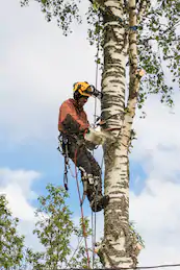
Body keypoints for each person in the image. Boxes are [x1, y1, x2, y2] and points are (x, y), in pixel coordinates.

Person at [58, 81, 109, 212]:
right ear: (77, 95)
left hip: (79, 145)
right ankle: (93, 200)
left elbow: (86, 134)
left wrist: (96, 133)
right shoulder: (67, 105)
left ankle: (97, 198)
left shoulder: (83, 114)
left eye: (87, 98)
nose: (85, 100)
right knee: (86, 166)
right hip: (70, 144)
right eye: (83, 97)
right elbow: (69, 121)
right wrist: (86, 129)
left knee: (96, 169)